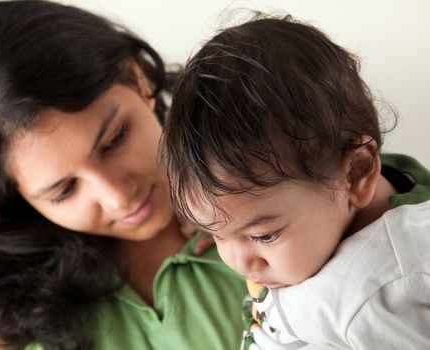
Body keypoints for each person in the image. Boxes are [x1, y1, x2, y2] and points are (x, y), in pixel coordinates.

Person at [0, 1, 247, 349]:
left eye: (115, 139)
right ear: (16, 198)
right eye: (64, 191)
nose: (118, 196)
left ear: (137, 78)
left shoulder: (271, 191)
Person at [162, 13, 430, 350]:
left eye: (264, 235)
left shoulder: (378, 298)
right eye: (213, 234)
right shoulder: (366, 183)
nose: (237, 262)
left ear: (357, 173)